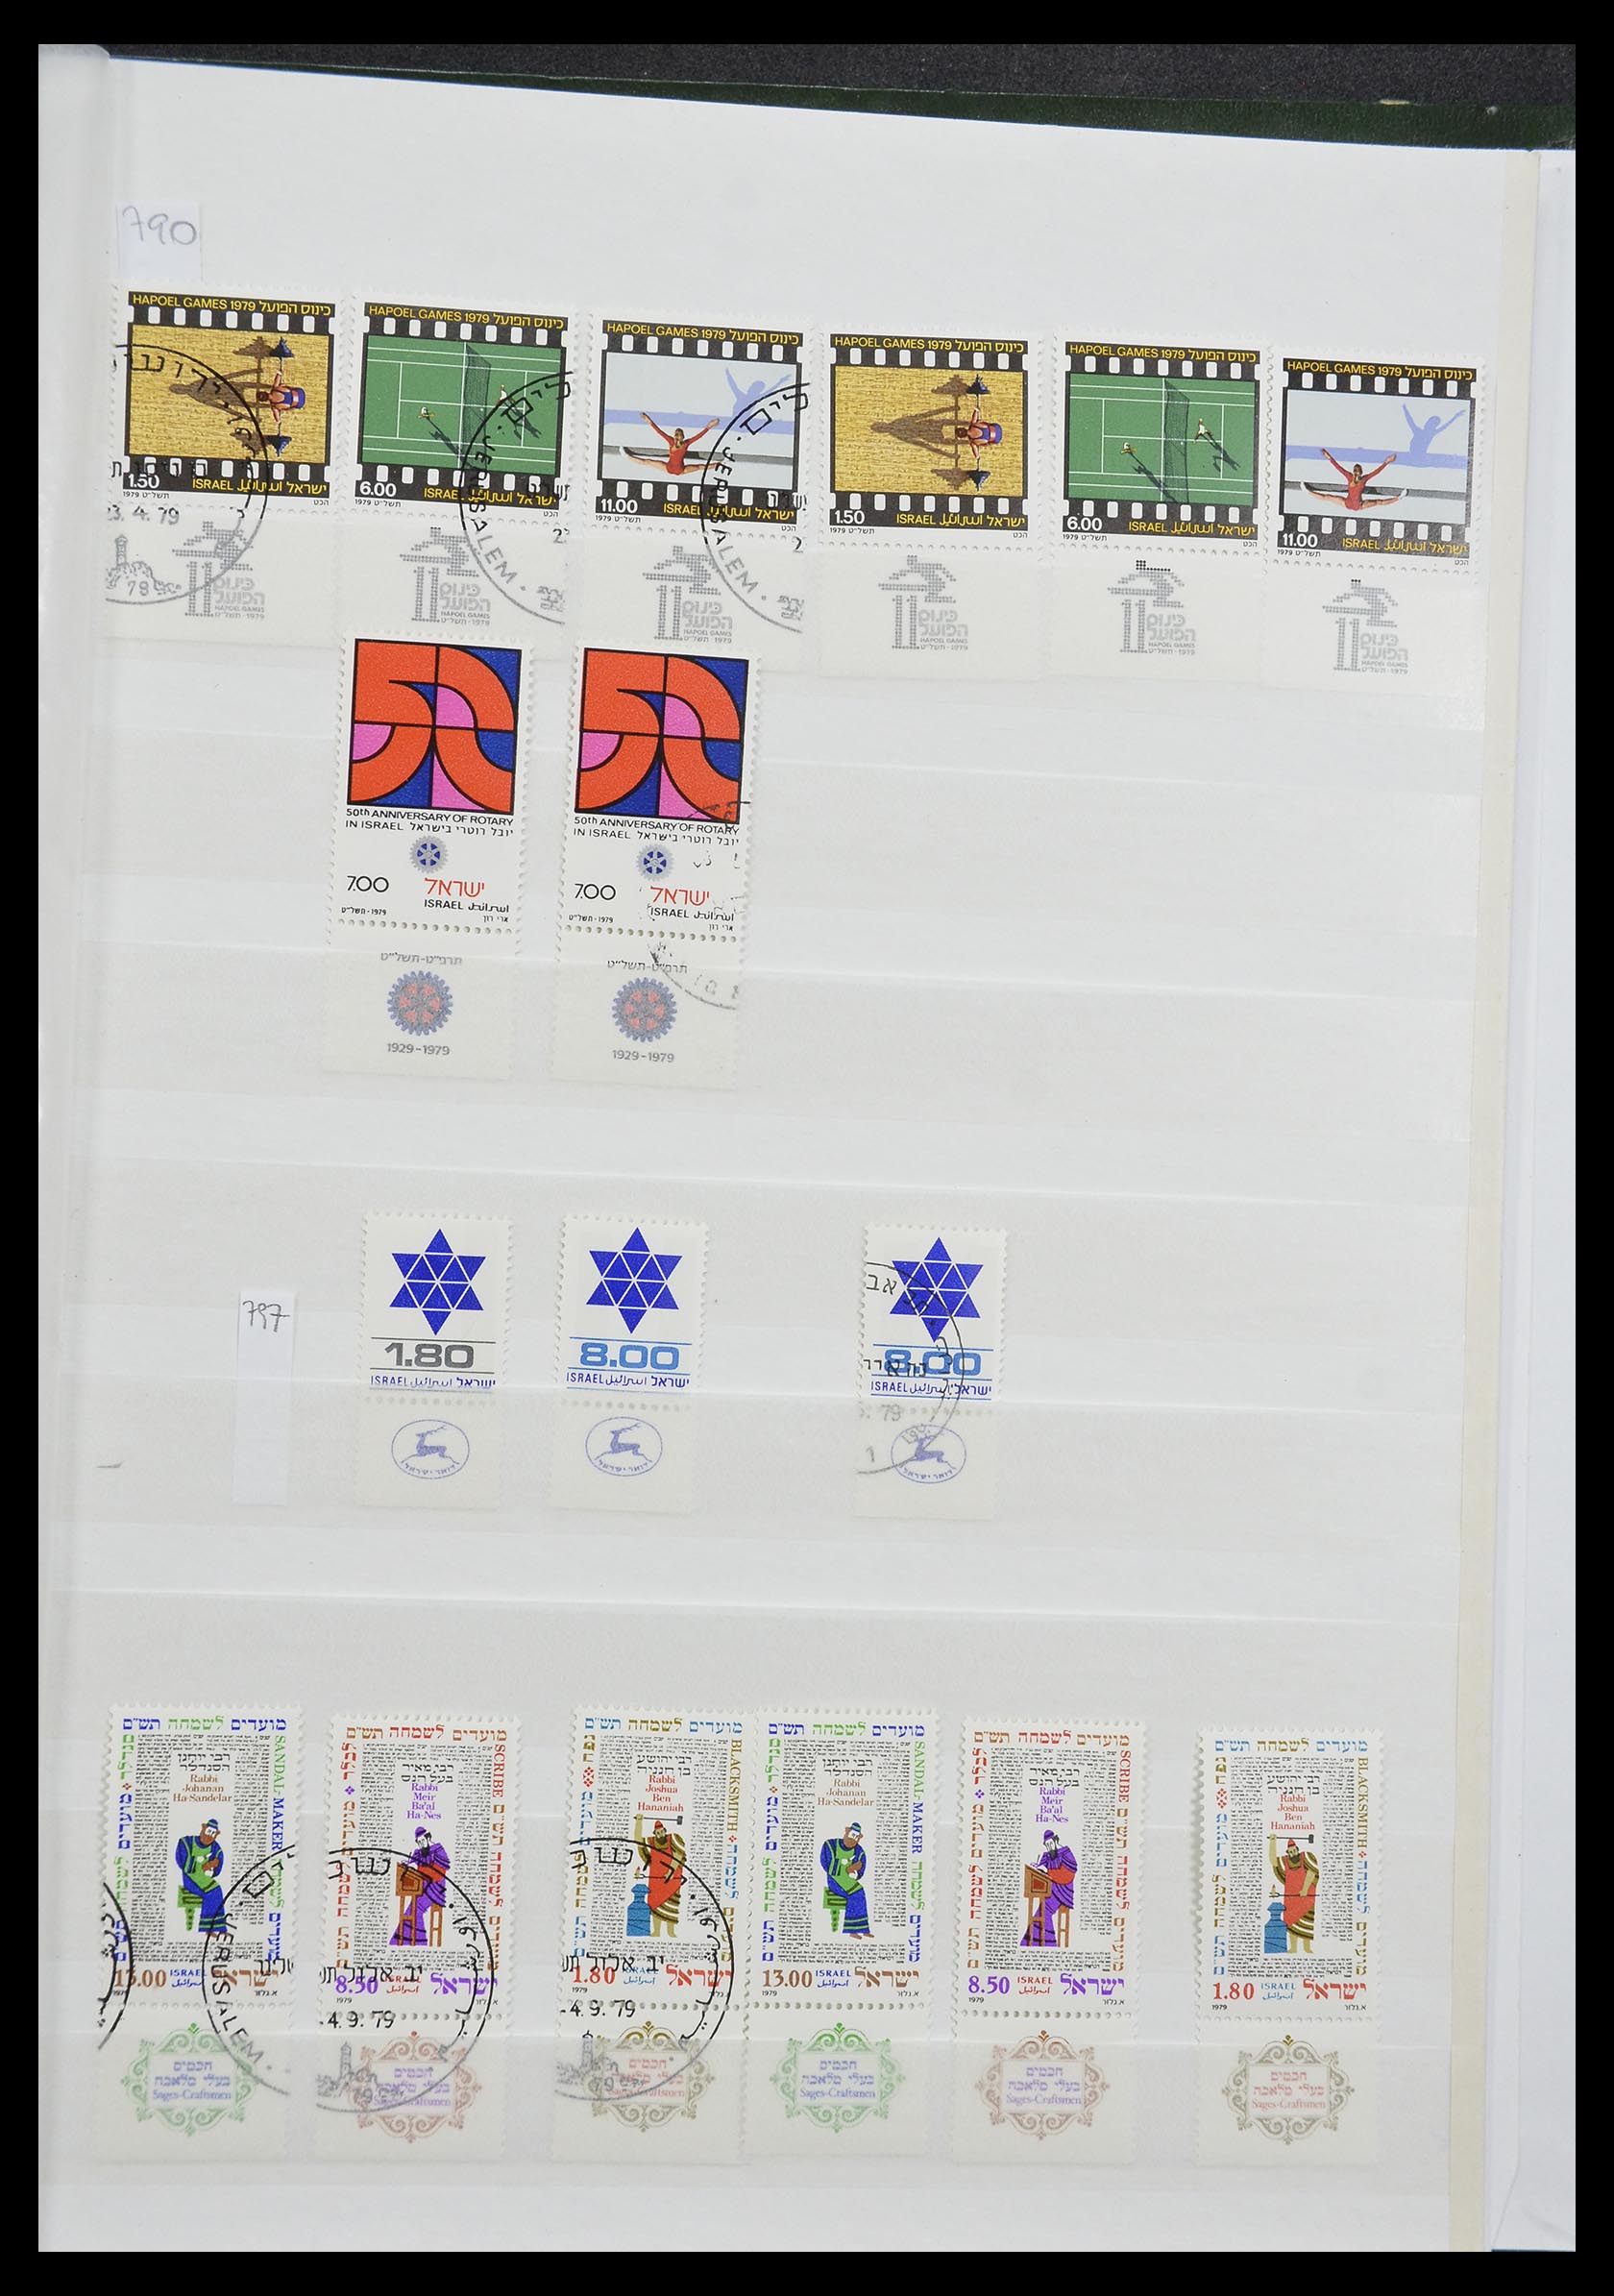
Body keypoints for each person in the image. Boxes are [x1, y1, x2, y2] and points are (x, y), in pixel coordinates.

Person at [391, 1826, 450, 1946]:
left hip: (435, 1889)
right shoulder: (419, 1852)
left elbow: (438, 1874)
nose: (421, 1844)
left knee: (414, 1910)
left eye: (422, 1841)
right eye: (419, 1842)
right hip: (421, 1889)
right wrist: (407, 1863)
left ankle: (417, 1942)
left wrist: (420, 1870)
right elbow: (411, 1862)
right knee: (412, 1909)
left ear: (428, 1838)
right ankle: (407, 1941)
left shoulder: (439, 1850)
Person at [634, 1813, 687, 1937]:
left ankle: (670, 1932)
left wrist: (671, 1870)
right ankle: (657, 1931)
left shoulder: (674, 1838)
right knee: (655, 1903)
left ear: (665, 1831)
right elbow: (638, 1841)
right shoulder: (651, 1841)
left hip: (672, 1878)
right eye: (658, 1833)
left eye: (662, 1832)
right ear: (655, 1833)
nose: (660, 1834)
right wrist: (639, 1822)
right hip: (656, 1879)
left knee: (672, 1904)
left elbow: (678, 1855)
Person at [1022, 1828, 1078, 1946]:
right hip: (1050, 1890)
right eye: (1046, 1845)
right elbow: (1041, 1867)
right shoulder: (1048, 1855)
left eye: (1050, 1844)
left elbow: (1068, 1875)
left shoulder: (1066, 1852)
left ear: (1055, 1840)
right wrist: (1037, 1867)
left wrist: (1048, 1871)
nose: (1048, 1847)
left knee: (1043, 1912)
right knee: (1041, 1911)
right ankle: (1036, 1942)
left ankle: (1047, 1943)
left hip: (1063, 1891)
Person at [175, 1818, 228, 1939]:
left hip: (203, 1878)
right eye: (208, 1832)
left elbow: (219, 1855)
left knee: (217, 1890)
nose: (208, 1837)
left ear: (216, 1835)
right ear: (203, 1828)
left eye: (212, 1834)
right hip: (191, 1878)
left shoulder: (214, 1846)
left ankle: (219, 1927)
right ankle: (208, 1927)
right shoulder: (188, 1842)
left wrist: (215, 1862)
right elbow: (181, 1857)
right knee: (211, 1893)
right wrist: (196, 1863)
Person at [1303, 449, 1403, 511]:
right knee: (1379, 502)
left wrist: (1329, 457)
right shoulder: (1361, 479)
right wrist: (1386, 462)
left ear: (1355, 471)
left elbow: (1338, 467)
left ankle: (1307, 491)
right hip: (1357, 505)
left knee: (1326, 497)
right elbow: (1377, 472)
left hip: (1349, 504)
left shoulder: (1352, 477)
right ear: (1360, 472)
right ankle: (1398, 498)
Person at [1267, 1835, 1319, 1953]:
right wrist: (1273, 1842)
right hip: (1291, 1898)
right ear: (1288, 1852)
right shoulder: (1285, 1861)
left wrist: (1305, 1889)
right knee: (1291, 1922)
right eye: (1290, 1852)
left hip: (1306, 1897)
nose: (1293, 1853)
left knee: (1307, 1921)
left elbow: (1311, 1872)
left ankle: (1307, 1948)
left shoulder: (1306, 1857)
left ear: (1297, 1849)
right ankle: (1294, 1948)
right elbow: (1273, 1861)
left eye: (1294, 1850)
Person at [623, 413, 718, 476]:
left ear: (675, 436)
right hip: (680, 470)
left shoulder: (671, 441)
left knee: (647, 461)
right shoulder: (686, 443)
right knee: (701, 467)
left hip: (669, 468)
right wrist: (709, 427)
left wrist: (649, 421)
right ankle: (721, 463)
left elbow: (659, 431)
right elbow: (699, 436)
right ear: (683, 436)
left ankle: (626, 456)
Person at [820, 1821, 870, 1937]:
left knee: (860, 1891)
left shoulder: (859, 1851)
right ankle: (852, 1930)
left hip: (848, 1880)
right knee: (855, 1894)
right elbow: (826, 1863)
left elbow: (860, 1869)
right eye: (851, 1835)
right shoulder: (830, 1845)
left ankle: (863, 1929)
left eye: (856, 1838)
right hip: (835, 1880)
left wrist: (856, 1869)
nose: (852, 1840)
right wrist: (846, 1868)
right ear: (847, 1832)